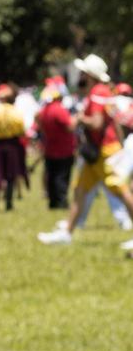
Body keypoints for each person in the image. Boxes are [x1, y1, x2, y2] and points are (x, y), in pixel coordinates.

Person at [38, 56, 133, 245]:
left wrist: (81, 118)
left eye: (83, 72)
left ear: (89, 74)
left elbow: (97, 123)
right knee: (80, 190)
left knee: (122, 191)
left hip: (104, 152)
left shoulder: (97, 91)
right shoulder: (101, 91)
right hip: (99, 152)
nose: (80, 75)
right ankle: (67, 232)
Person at [36, 78, 75, 210]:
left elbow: (39, 124)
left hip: (50, 148)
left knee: (51, 176)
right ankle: (62, 201)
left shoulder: (43, 111)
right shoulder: (59, 109)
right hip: (63, 149)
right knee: (62, 177)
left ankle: (52, 202)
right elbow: (69, 127)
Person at [0, 84, 27, 212]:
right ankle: (8, 204)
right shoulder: (16, 112)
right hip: (12, 144)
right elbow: (21, 130)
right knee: (11, 174)